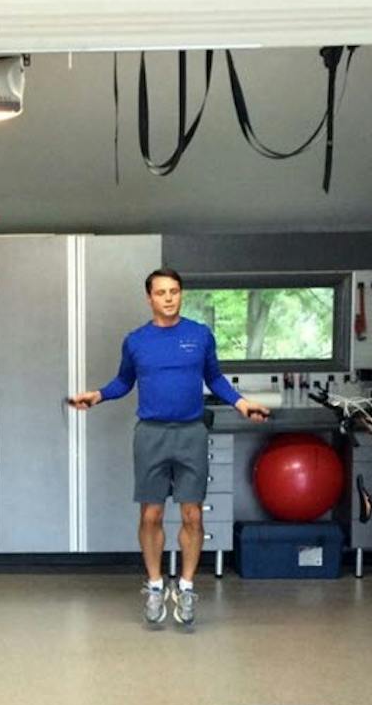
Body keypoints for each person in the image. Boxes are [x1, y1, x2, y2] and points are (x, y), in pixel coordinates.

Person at [69, 267, 270, 625]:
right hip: (151, 434)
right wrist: (97, 395)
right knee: (151, 514)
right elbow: (123, 382)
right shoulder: (136, 341)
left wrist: (241, 403)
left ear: (181, 294)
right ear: (149, 298)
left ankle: (188, 587)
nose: (168, 298)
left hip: (191, 432)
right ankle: (156, 585)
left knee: (193, 514)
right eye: (161, 292)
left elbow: (215, 378)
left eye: (174, 291)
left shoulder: (199, 335)